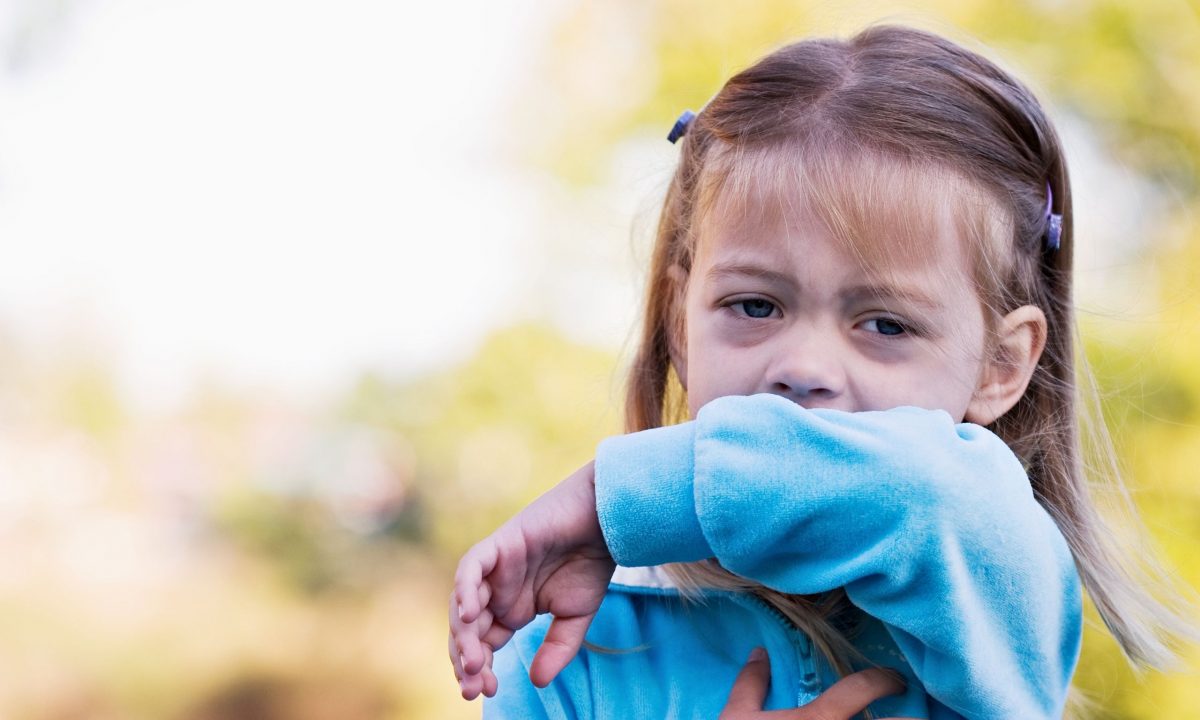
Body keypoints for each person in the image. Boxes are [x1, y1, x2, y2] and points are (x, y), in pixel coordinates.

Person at [448, 24, 1191, 720]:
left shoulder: (987, 564)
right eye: (754, 305)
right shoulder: (576, 647)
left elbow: (923, 489)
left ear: (1000, 366)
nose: (803, 367)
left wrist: (615, 497)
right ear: (681, 319)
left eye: (885, 324)